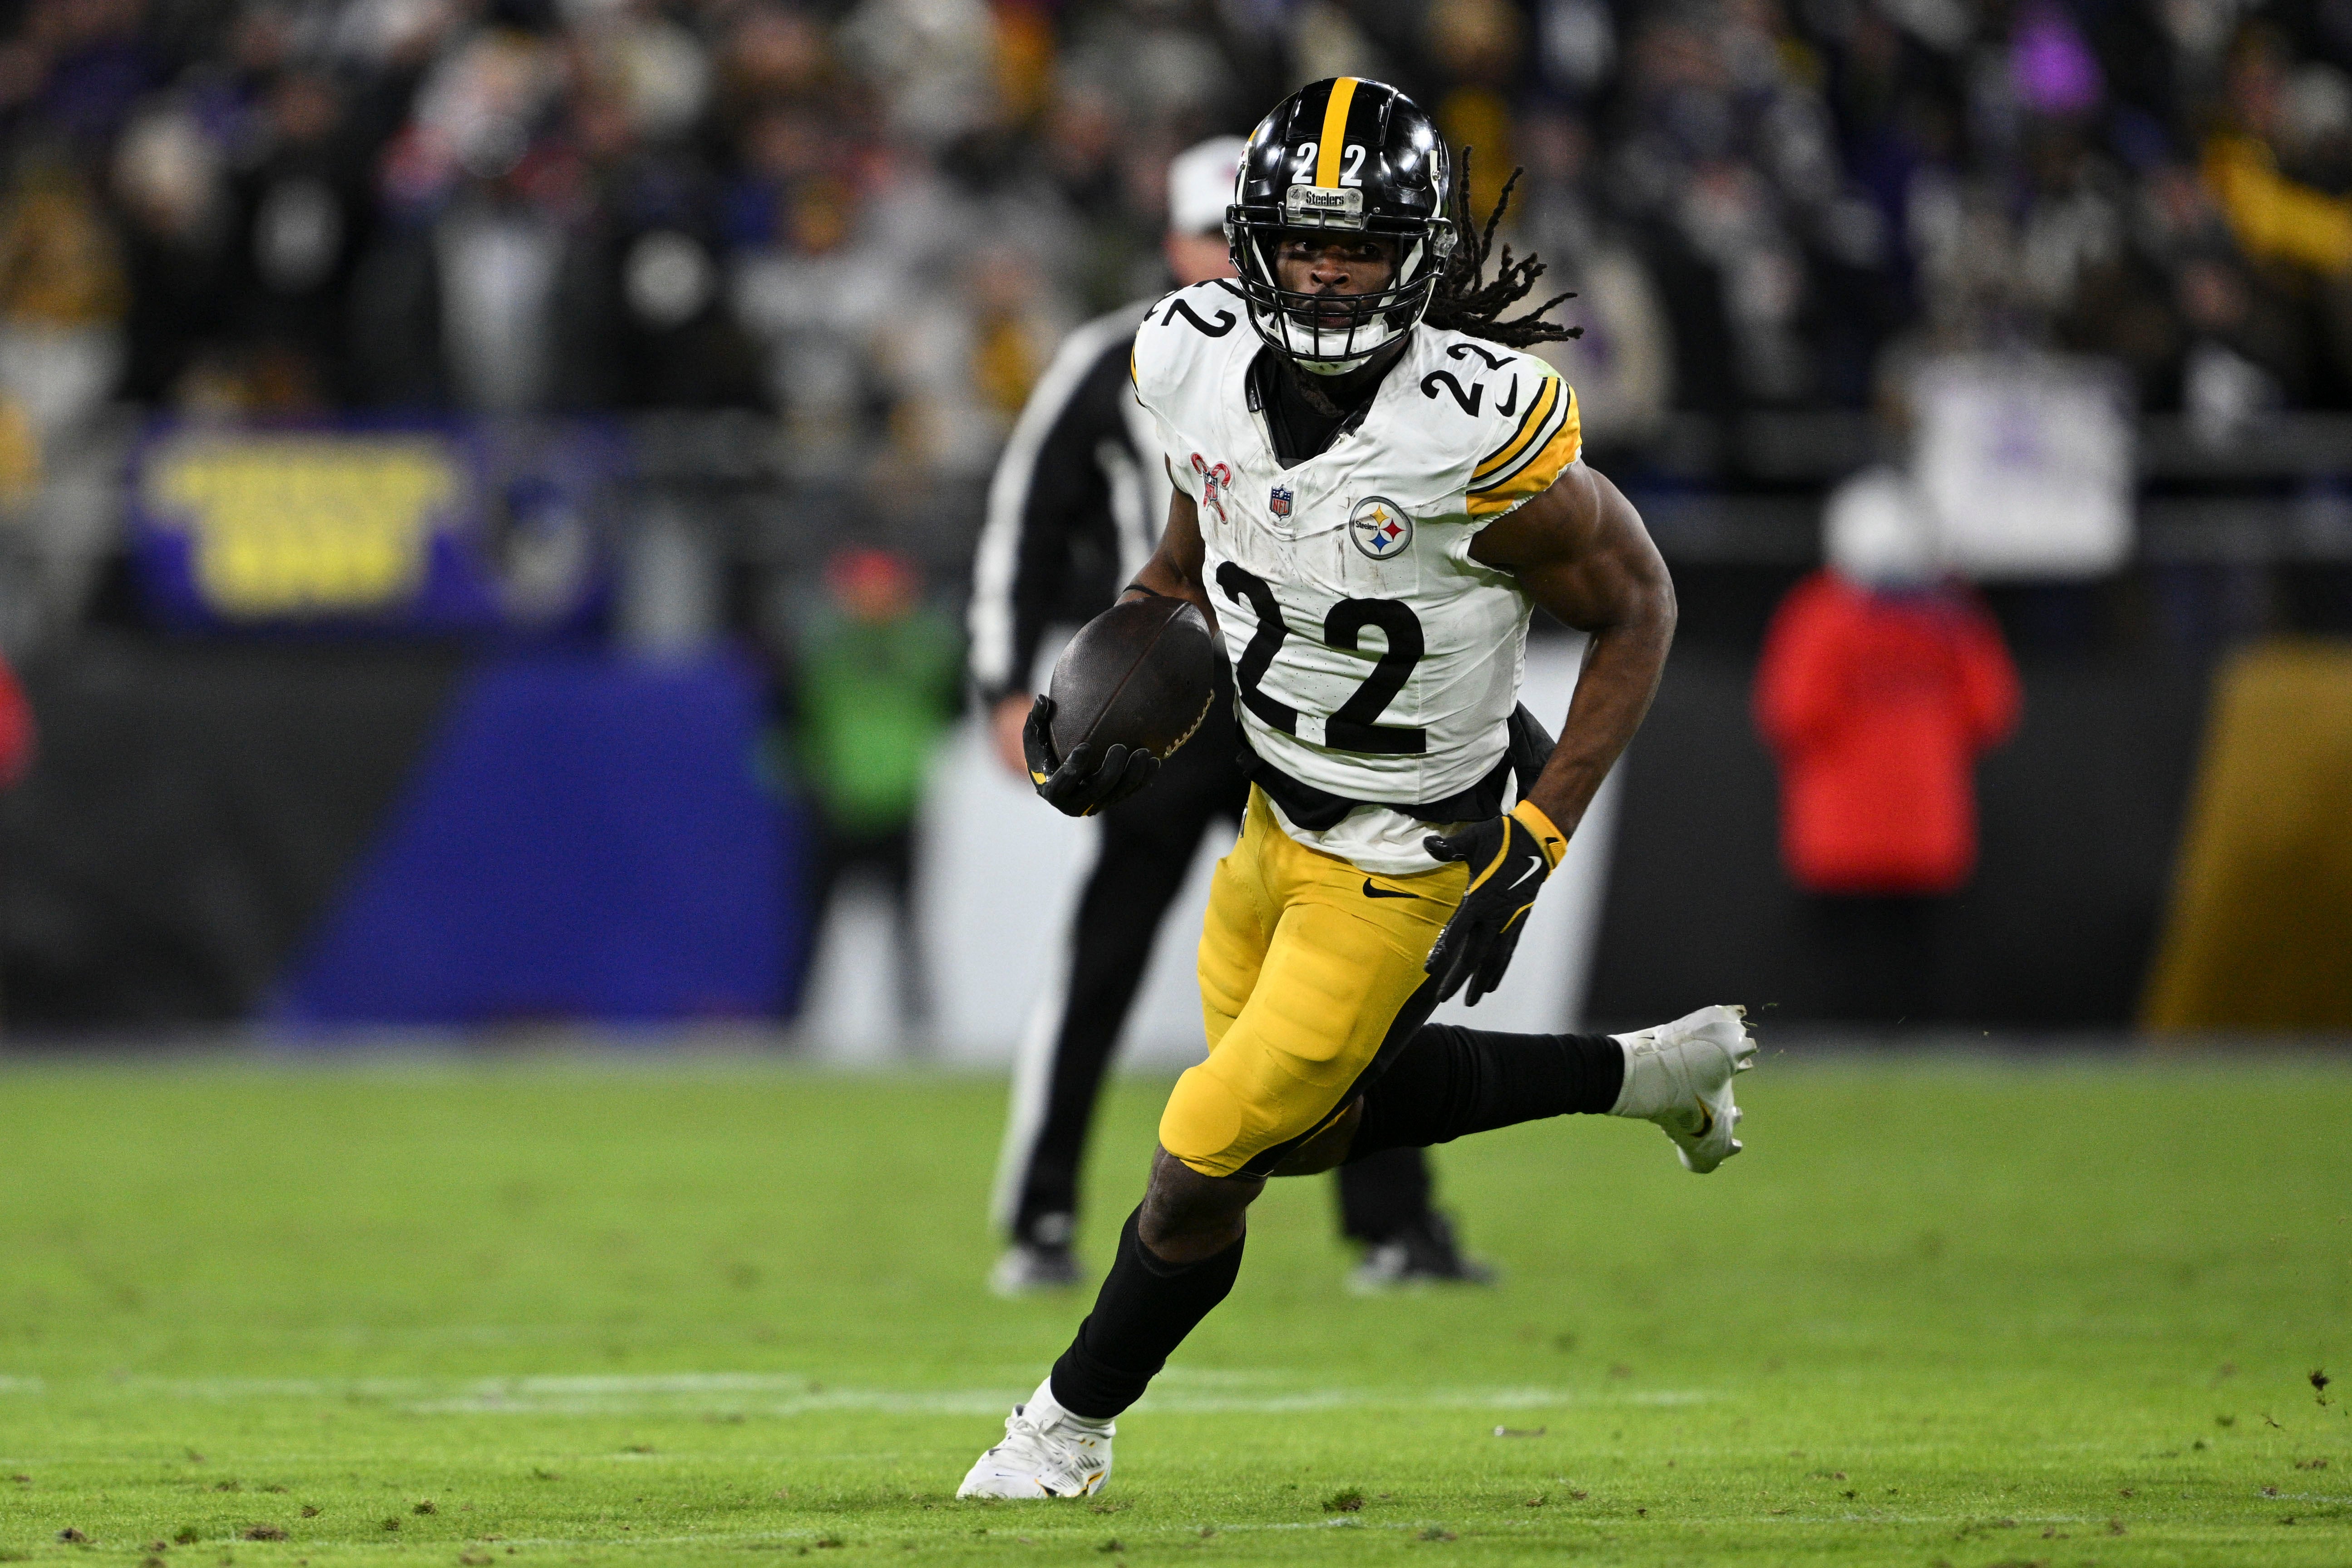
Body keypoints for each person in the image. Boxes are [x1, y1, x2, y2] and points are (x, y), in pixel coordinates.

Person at [957, 78, 1755, 1499]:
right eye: (1301, 241)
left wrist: (1541, 828)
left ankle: (1060, 1428)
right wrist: (1135, 644)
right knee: (1311, 1133)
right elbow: (1189, 530)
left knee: (1201, 1153)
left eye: (1358, 244)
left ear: (1418, 249)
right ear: (1249, 242)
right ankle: (1644, 1072)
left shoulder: (1469, 427)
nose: (1325, 270)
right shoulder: (1190, 358)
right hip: (1271, 819)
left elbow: (1637, 604)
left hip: (1404, 855)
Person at [969, 136, 1489, 1296]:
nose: (1247, 264)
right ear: (1173, 239)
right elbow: (1026, 510)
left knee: (1357, 978)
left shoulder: (1374, 365)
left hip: (1307, 704)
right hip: (1157, 703)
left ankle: (1396, 1225)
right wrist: (1005, 676)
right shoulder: (1130, 353)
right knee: (1103, 957)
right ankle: (1042, 1210)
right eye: (1210, 235)